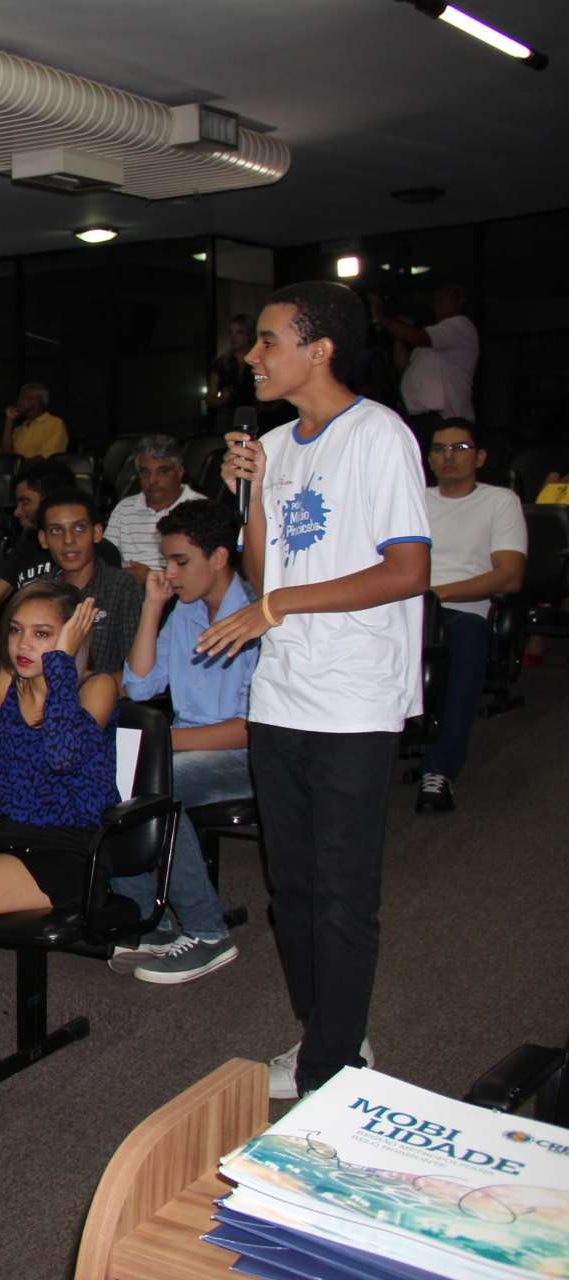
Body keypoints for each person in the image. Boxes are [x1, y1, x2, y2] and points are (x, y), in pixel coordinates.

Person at [201, 280, 432, 1101]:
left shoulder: (380, 437)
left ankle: (333, 1066)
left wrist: (277, 606)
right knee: (289, 892)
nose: (252, 356)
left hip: (355, 698)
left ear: (319, 348)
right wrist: (255, 490)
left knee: (341, 895)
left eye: (267, 342)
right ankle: (331, 1038)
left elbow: (408, 571)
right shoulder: (276, 444)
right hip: (283, 696)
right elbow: (269, 572)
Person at [0, 579, 118, 1078]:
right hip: (4, 840)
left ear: (72, 637)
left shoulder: (96, 687)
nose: (23, 645)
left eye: (42, 634)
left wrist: (62, 664)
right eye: (15, 632)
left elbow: (62, 753)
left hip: (65, 855)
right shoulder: (7, 683)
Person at [110, 500, 252, 984]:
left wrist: (165, 743)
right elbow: (141, 686)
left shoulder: (257, 614)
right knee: (98, 782)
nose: (169, 572)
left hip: (249, 756)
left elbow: (251, 727)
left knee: (156, 790)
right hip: (186, 745)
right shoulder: (186, 611)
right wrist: (153, 606)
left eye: (180, 561)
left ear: (218, 557)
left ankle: (209, 933)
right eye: (165, 560)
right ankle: (153, 921)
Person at [417, 419, 526, 814]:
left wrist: (435, 594)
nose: (448, 456)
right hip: (406, 605)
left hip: (462, 610)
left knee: (467, 641)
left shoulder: (500, 501)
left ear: (479, 457)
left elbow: (510, 576)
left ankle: (440, 770)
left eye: (460, 448)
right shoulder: (415, 499)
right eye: (439, 449)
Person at [0, 459, 123, 615]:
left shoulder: (99, 550)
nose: (17, 512)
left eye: (25, 502)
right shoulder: (27, 544)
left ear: (51, 499)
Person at [37, 488, 143, 677]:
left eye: (78, 528)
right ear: (43, 539)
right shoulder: (39, 591)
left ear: (96, 533)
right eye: (56, 531)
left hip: (101, 700)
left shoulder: (122, 587)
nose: (68, 540)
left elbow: (136, 673)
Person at [372, 283, 478, 429]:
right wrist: (398, 336)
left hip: (447, 418)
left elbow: (420, 337)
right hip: (422, 418)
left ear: (459, 301)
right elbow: (404, 367)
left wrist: (381, 317)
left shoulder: (460, 325)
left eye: (443, 297)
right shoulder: (433, 339)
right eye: (435, 299)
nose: (437, 302)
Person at [104, 435, 201, 578]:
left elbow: (204, 572)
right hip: (125, 589)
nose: (152, 480)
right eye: (145, 472)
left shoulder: (199, 508)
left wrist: (151, 577)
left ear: (180, 473)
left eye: (162, 472)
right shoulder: (124, 508)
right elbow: (106, 559)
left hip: (179, 594)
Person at [0, 382, 68, 459]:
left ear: (37, 400)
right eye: (19, 397)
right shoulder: (19, 429)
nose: (18, 401)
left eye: (22, 397)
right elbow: (5, 457)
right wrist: (9, 420)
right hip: (17, 470)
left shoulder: (55, 423)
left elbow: (47, 459)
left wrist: (18, 466)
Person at [208, 314, 257, 415]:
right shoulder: (221, 363)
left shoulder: (259, 361)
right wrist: (221, 400)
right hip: (228, 418)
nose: (233, 337)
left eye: (239, 332)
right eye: (230, 332)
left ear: (250, 335)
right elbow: (210, 398)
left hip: (257, 418)